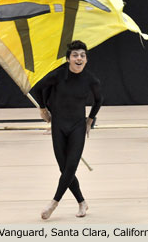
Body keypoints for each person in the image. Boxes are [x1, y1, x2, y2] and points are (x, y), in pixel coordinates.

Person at [32, 40, 103, 219]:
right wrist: (42, 109)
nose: (79, 58)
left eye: (82, 55)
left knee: (71, 167)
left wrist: (90, 120)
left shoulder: (90, 80)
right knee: (65, 169)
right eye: (75, 55)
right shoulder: (58, 75)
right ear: (68, 59)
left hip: (77, 127)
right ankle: (82, 202)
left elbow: (99, 100)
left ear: (86, 60)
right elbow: (38, 88)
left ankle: (53, 203)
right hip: (58, 125)